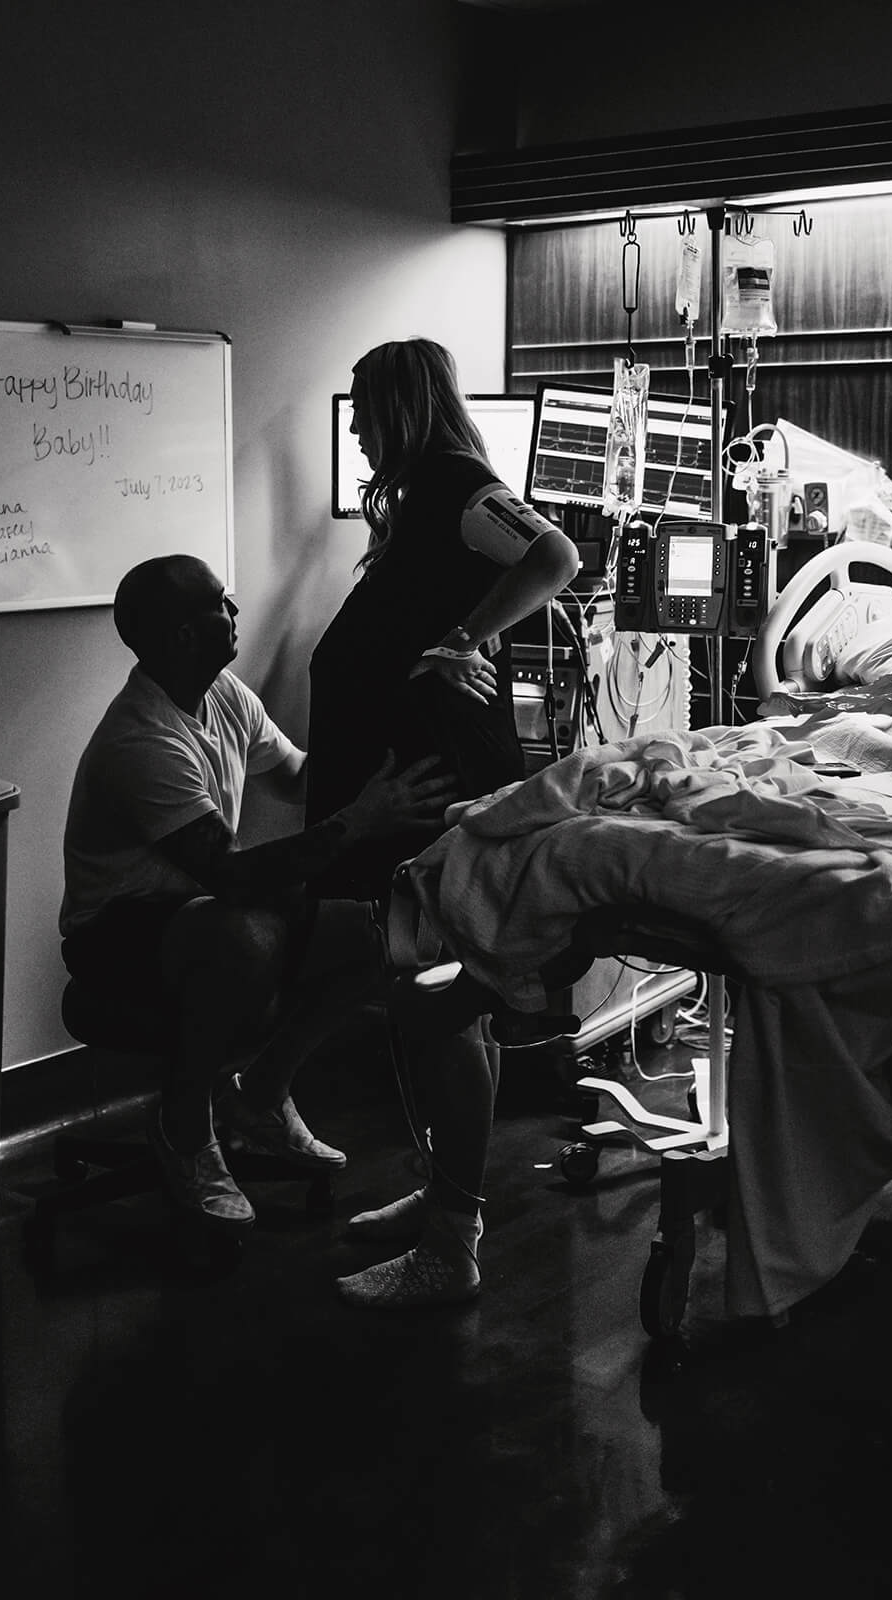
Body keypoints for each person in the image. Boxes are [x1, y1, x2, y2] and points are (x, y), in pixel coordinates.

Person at [59, 554, 460, 1232]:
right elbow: (231, 874)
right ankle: (184, 1130)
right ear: (186, 636)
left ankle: (262, 1096)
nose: (236, 612)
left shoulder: (223, 695)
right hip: (115, 935)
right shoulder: (143, 740)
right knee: (242, 933)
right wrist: (359, 820)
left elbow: (302, 775)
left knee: (378, 937)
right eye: (222, 603)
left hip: (202, 908)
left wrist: (395, 716)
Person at [309, 338, 582, 1310]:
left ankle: (450, 1241)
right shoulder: (420, 504)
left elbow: (558, 554)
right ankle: (442, 1196)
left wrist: (469, 636)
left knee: (440, 1012)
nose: (351, 427)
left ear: (401, 406)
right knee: (427, 1008)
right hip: (405, 796)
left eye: (361, 408)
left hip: (443, 797)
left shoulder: (460, 484)